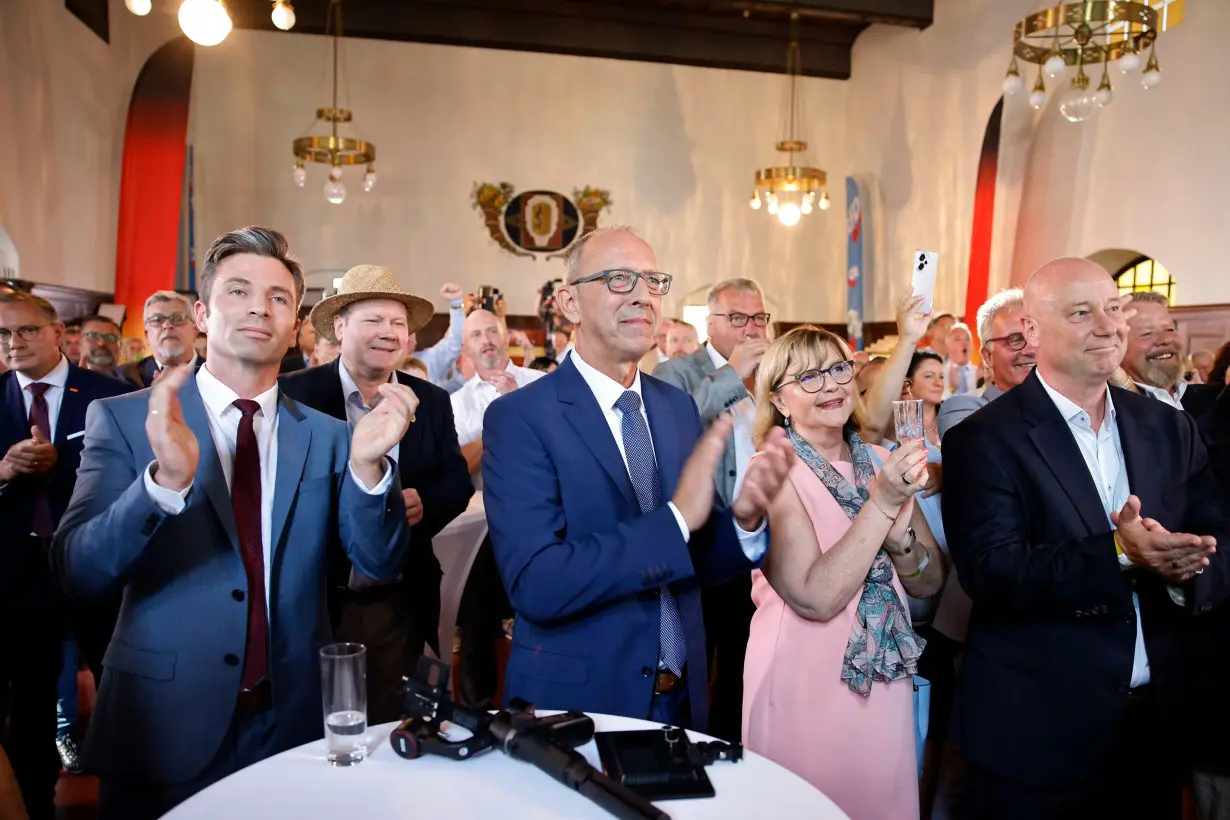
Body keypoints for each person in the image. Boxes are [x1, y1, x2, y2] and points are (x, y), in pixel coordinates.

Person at [52, 227, 413, 820]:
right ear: (201, 313)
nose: (257, 308)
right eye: (238, 291)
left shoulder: (328, 435)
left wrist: (371, 467)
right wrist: (161, 486)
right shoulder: (124, 419)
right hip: (163, 717)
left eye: (277, 298)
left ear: (294, 324)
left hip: (292, 719)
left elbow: (376, 561)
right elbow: (77, 571)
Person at [941, 257, 1230, 819]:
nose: (1108, 326)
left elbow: (1220, 534)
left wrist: (1184, 568)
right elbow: (992, 573)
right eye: (1081, 312)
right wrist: (1121, 552)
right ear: (1030, 330)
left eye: (1114, 308)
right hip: (1037, 731)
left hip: (1151, 726)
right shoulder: (986, 439)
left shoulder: (1167, 426)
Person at [482, 226, 794, 730]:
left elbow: (693, 553)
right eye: (620, 279)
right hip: (581, 701)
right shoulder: (521, 418)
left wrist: (744, 519)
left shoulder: (674, 407)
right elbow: (538, 583)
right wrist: (673, 521)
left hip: (683, 697)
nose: (644, 296)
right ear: (570, 302)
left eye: (652, 281)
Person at [743, 325, 944, 820]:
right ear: (779, 400)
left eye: (837, 369)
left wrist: (904, 548)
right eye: (808, 377)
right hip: (806, 676)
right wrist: (884, 504)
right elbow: (814, 596)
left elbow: (929, 581)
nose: (830, 386)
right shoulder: (769, 473)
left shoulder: (880, 459)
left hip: (883, 671)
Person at [279, 264, 473, 723]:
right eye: (373, 320)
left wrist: (425, 504)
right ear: (341, 327)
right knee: (310, 731)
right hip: (313, 598)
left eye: (398, 324)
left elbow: (456, 481)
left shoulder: (430, 399)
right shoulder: (294, 395)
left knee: (390, 728)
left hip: (397, 600)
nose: (388, 333)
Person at [0, 292, 133, 818]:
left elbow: (129, 478)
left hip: (95, 559)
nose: (14, 343)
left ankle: (130, 796)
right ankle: (33, 803)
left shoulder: (107, 396)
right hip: (18, 572)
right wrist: (6, 471)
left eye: (26, 331)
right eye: (4, 334)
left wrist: (59, 465)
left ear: (59, 334)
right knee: (30, 699)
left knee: (118, 683)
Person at [653, 278, 771, 741]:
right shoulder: (677, 371)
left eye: (758, 318)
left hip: (758, 537)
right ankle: (689, 746)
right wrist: (730, 375)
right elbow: (672, 431)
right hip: (700, 538)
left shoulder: (771, 374)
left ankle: (735, 748)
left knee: (746, 658)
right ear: (711, 322)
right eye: (738, 318)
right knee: (695, 658)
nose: (750, 328)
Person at [117, 290, 201, 388]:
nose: (167, 325)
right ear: (147, 335)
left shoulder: (217, 373)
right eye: (157, 320)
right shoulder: (122, 377)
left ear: (195, 331)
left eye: (177, 318)